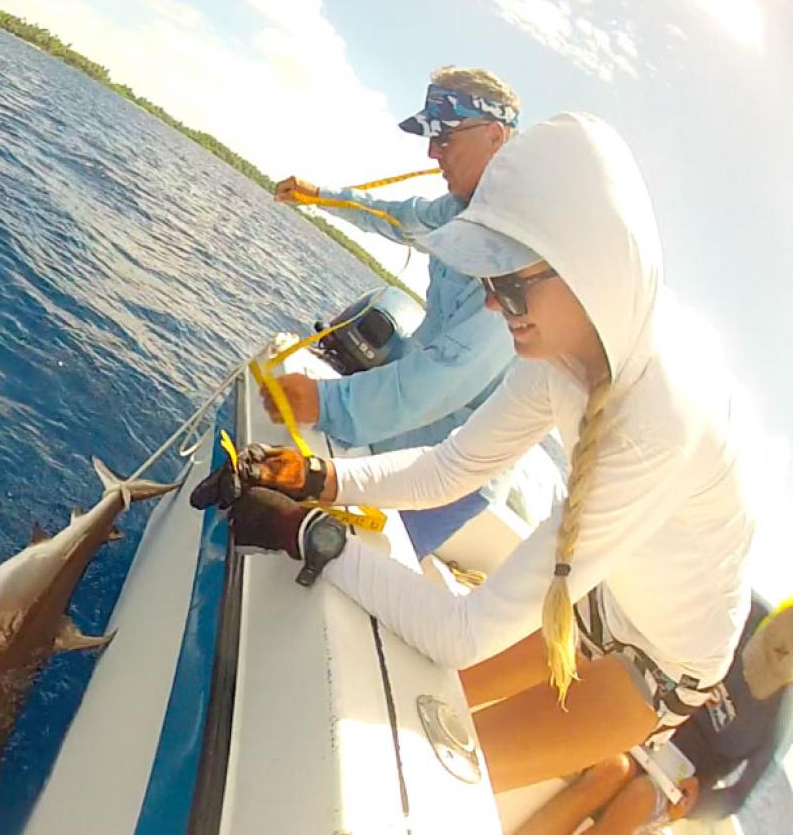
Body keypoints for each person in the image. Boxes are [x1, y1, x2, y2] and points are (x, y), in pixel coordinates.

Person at [195, 113, 757, 793]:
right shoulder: (561, 349)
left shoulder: (660, 423)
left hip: (659, 665)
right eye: (488, 281)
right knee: (410, 703)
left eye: (510, 283)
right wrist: (318, 475)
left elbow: (463, 632)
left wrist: (301, 529)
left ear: (593, 274)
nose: (494, 307)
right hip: (586, 600)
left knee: (443, 776)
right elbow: (453, 466)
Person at [271, 66, 523, 557]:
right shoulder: (457, 212)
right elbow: (397, 218)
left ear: (495, 137)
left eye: (445, 137)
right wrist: (322, 198)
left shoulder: (519, 252)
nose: (433, 153)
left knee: (338, 573)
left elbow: (448, 377)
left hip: (448, 472)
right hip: (399, 430)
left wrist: (325, 403)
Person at [514, 596, 793, 834]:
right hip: (640, 729)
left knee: (639, 797)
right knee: (612, 769)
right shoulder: (738, 613)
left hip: (675, 785)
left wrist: (694, 802)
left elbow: (737, 796)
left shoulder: (784, 715)